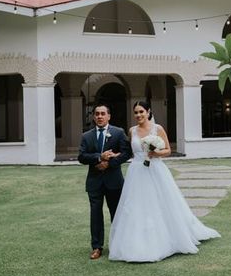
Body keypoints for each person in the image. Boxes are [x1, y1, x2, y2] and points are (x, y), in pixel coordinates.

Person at [109, 101, 220, 262]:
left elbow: (168, 149)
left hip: (155, 169)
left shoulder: (157, 129)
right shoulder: (132, 130)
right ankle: (136, 242)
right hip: (137, 171)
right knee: (136, 205)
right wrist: (115, 156)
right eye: (136, 112)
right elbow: (129, 152)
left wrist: (156, 153)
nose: (138, 115)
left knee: (160, 203)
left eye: (141, 112)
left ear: (148, 112)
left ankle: (168, 238)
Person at [78, 104, 132, 260]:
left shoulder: (118, 132)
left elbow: (126, 153)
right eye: (97, 114)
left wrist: (109, 163)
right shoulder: (86, 136)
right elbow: (81, 157)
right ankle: (96, 247)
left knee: (116, 213)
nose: (100, 116)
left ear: (109, 116)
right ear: (94, 117)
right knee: (95, 214)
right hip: (94, 182)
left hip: (114, 181)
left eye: (103, 114)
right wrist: (99, 157)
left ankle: (118, 244)